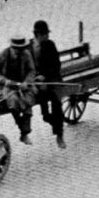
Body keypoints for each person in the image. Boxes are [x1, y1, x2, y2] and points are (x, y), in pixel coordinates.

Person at [0, 32, 40, 144]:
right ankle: (21, 126)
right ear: (12, 47)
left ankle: (25, 134)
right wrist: (5, 81)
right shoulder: (3, 55)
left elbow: (32, 70)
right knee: (13, 102)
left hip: (23, 85)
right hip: (8, 86)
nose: (19, 51)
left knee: (28, 103)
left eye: (21, 49)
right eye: (17, 49)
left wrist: (26, 82)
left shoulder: (26, 54)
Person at [31, 19, 67, 148]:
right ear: (38, 35)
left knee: (56, 103)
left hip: (53, 80)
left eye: (47, 34)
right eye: (45, 34)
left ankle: (59, 135)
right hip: (37, 84)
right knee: (45, 116)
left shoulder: (50, 45)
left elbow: (56, 65)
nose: (47, 36)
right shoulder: (30, 47)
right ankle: (55, 122)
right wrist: (35, 79)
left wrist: (44, 77)